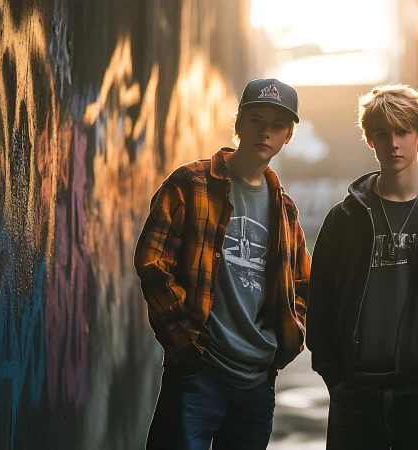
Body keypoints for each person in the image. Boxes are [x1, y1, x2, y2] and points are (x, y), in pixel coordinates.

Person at [134, 78, 310, 450]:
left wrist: (282, 345)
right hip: (198, 374)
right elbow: (153, 262)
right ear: (239, 124)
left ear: (288, 137)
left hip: (257, 383)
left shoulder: (285, 210)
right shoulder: (190, 184)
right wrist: (186, 343)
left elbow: (302, 285)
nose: (265, 132)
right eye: (256, 120)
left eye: (277, 125)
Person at [306, 84, 418, 450]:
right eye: (382, 134)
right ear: (370, 141)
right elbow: (318, 303)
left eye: (403, 131)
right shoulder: (344, 218)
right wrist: (334, 376)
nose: (394, 144)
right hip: (355, 394)